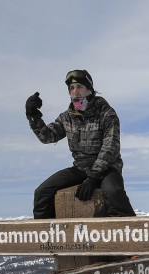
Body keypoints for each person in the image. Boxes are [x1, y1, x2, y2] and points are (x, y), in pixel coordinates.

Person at [25, 70, 136, 219]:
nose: (75, 92)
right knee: (42, 192)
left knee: (113, 192)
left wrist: (93, 178)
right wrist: (33, 116)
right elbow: (47, 136)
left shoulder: (106, 113)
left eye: (79, 87)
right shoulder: (67, 117)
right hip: (80, 168)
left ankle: (132, 234)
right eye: (71, 88)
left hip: (107, 168)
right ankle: (47, 238)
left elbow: (110, 147)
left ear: (89, 89)